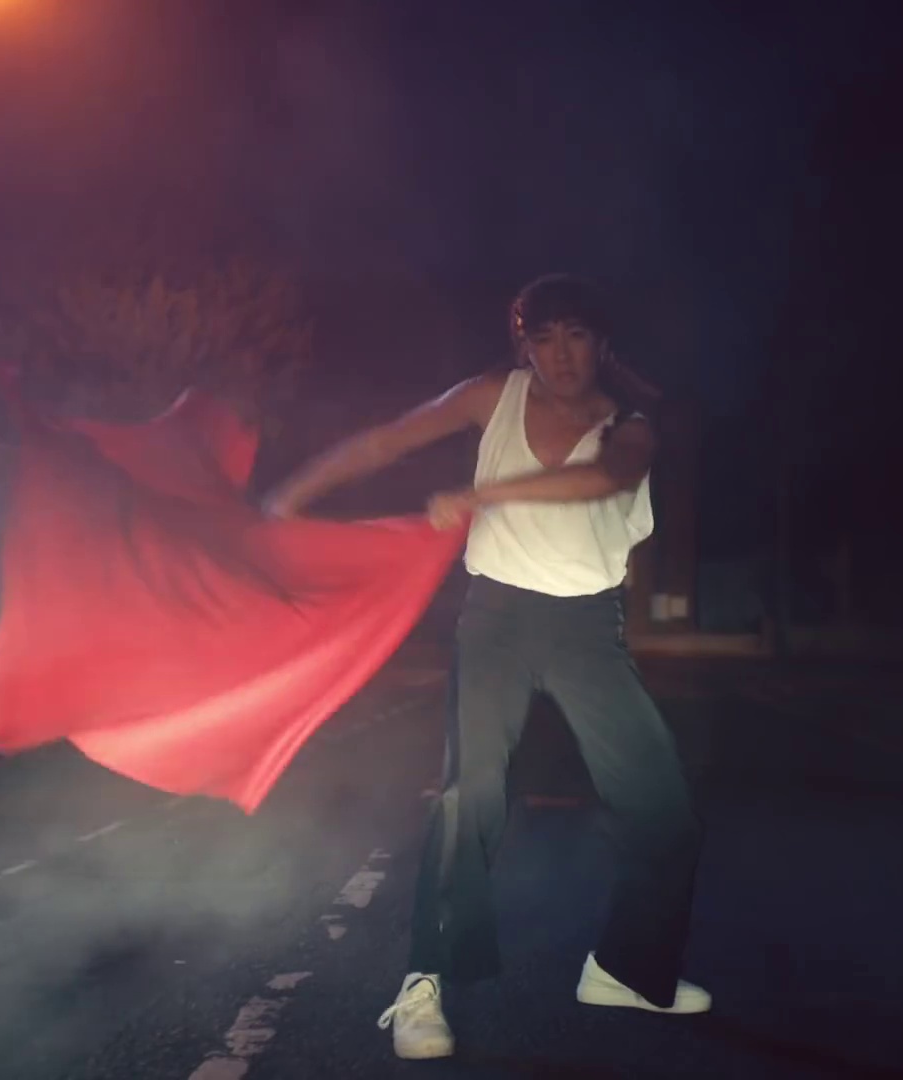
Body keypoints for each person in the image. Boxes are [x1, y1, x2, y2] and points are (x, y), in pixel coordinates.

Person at [261, 273, 709, 1060]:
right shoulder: (492, 396)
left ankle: (627, 969)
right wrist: (291, 496)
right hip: (497, 619)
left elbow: (603, 479)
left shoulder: (630, 425)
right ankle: (423, 984)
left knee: (662, 805)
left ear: (601, 344)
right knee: (468, 796)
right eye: (544, 338)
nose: (560, 355)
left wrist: (482, 493)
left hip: (586, 630)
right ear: (523, 344)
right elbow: (387, 440)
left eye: (576, 336)